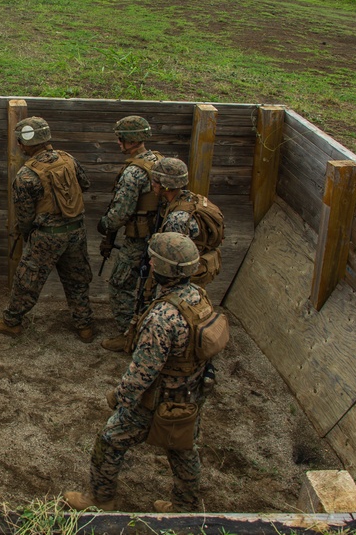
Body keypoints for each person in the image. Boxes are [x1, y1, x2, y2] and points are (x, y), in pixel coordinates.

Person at [63, 233, 214, 513]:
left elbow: (142, 373)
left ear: (164, 268)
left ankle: (100, 498)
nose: (151, 263)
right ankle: (186, 507)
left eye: (154, 260)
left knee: (110, 440)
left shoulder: (161, 318)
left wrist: (118, 396)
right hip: (191, 393)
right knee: (183, 449)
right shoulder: (199, 297)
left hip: (159, 398)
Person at [0, 116, 95, 342]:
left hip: (47, 237)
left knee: (28, 280)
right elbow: (85, 184)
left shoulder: (26, 175)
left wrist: (27, 233)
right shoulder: (68, 159)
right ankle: (84, 326)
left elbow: (24, 217)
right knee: (77, 280)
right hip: (76, 231)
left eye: (20, 140)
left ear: (26, 142)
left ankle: (11, 322)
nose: (19, 145)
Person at [97, 116, 162, 352]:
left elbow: (119, 214)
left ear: (132, 140)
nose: (118, 142)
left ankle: (129, 335)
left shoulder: (133, 173)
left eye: (121, 138)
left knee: (119, 283)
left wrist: (104, 225)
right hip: (160, 238)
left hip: (139, 240)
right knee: (149, 287)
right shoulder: (159, 161)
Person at [151, 158, 224, 287]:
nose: (152, 184)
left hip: (181, 280)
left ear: (166, 185)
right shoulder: (190, 199)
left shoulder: (177, 219)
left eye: (156, 181)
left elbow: (171, 261)